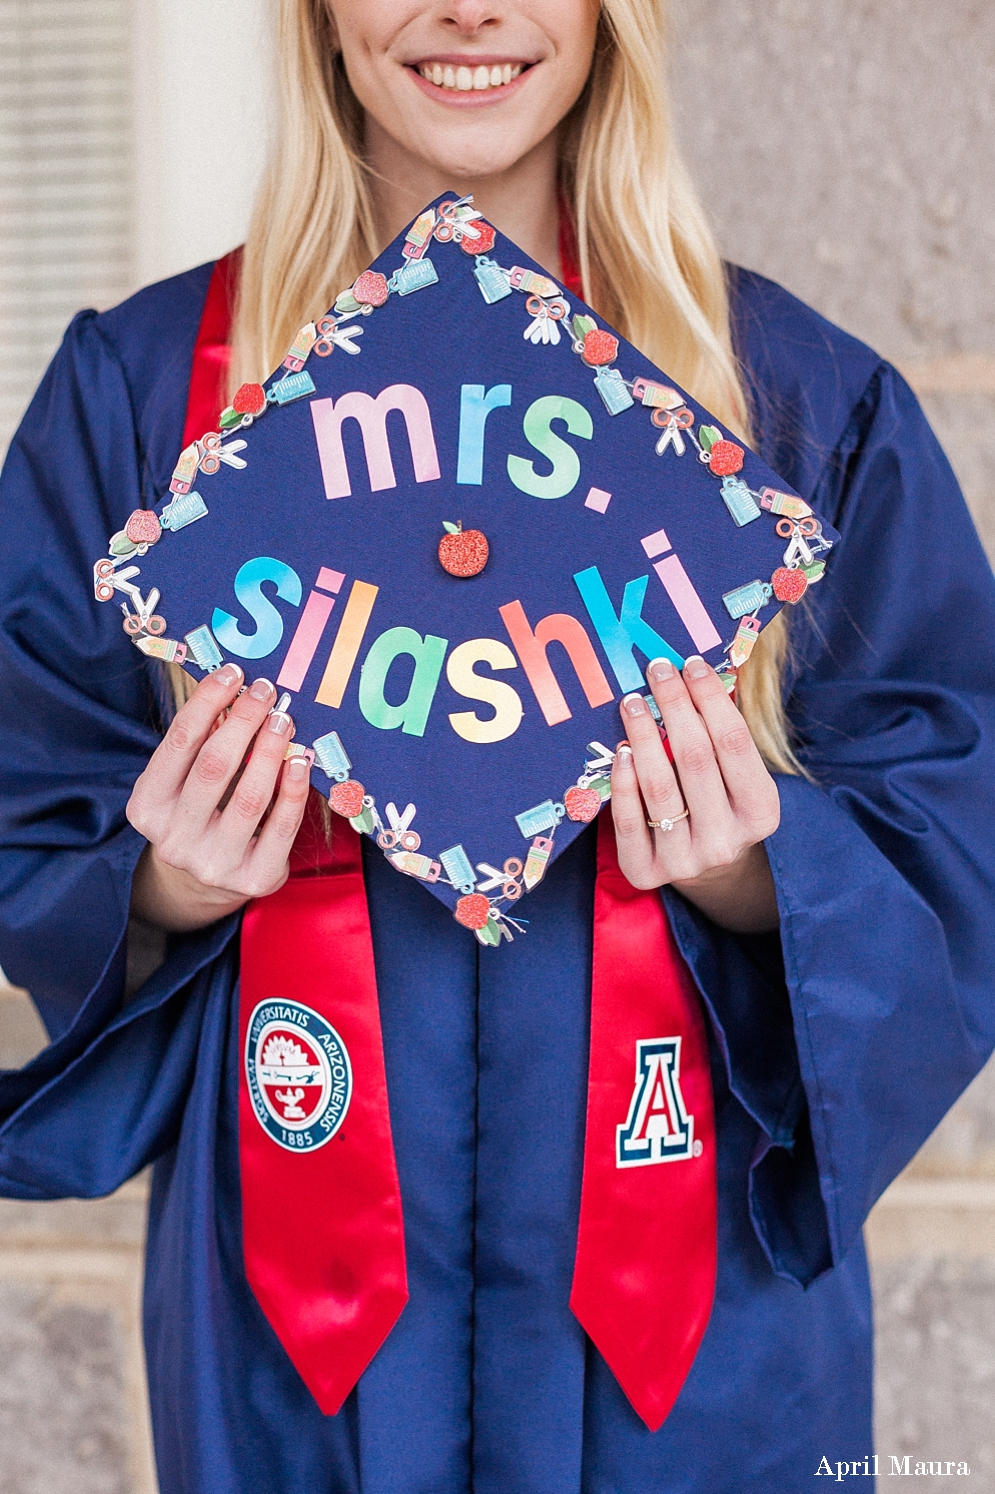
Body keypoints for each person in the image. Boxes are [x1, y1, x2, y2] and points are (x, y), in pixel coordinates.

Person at [1, 1, 993, 1490]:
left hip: (700, 1341)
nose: (471, 8)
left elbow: (958, 812)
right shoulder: (148, 400)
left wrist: (766, 869)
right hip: (302, 1347)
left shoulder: (790, 405)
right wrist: (156, 885)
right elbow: (29, 788)